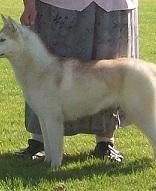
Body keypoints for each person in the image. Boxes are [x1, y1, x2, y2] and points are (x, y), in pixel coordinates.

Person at [16, 0, 139, 162]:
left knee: (109, 75)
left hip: (113, 6)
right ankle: (39, 142)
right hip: (57, 7)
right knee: (47, 73)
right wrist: (29, 4)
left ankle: (105, 143)